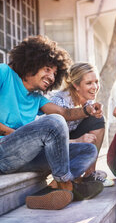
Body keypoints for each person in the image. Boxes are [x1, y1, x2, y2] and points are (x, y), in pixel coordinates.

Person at [0, 35, 103, 210]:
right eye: (47, 69)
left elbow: (64, 112)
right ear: (31, 62)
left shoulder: (37, 97)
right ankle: (66, 184)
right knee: (54, 122)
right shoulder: (4, 73)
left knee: (87, 150)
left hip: (22, 157)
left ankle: (50, 191)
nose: (52, 77)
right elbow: (56, 120)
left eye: (55, 73)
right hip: (3, 152)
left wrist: (87, 110)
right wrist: (13, 134)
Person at [50, 62, 114, 187]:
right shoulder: (59, 102)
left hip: (71, 138)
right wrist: (78, 140)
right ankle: (63, 182)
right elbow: (50, 140)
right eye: (89, 83)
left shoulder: (88, 99)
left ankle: (90, 174)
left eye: (96, 82)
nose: (95, 86)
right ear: (75, 85)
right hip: (54, 146)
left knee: (98, 119)